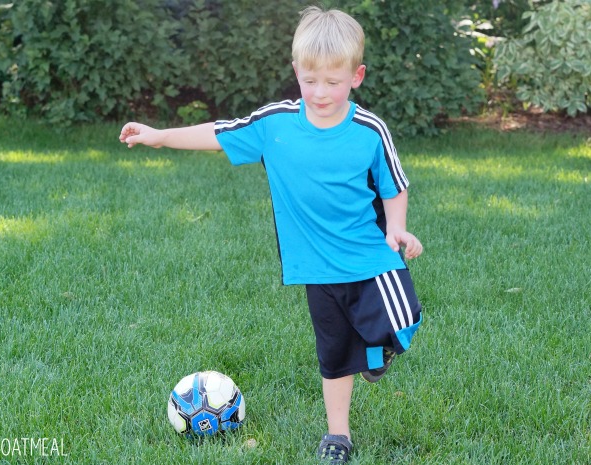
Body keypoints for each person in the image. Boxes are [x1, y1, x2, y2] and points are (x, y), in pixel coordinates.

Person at [119, 6, 423, 463]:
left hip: (369, 256)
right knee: (336, 356)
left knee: (403, 322)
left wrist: (396, 227)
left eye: (333, 82)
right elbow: (218, 133)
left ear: (356, 76)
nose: (321, 93)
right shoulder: (276, 123)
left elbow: (393, 183)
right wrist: (159, 135)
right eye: (310, 80)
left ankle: (378, 358)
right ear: (296, 71)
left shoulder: (369, 130)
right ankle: (337, 436)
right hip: (315, 268)